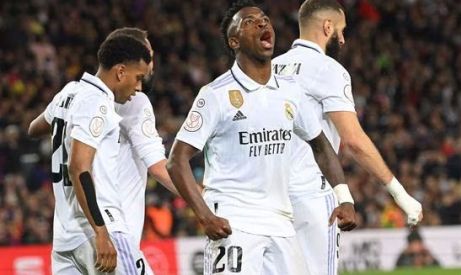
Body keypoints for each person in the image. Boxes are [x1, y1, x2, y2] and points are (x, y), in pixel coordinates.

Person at [166, 1, 355, 274]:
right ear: (234, 42)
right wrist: (205, 216)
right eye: (249, 22)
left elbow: (321, 145)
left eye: (264, 18)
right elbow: (177, 160)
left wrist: (344, 197)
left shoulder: (290, 91)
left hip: (281, 222)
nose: (262, 23)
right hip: (235, 223)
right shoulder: (215, 95)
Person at [272, 0, 423, 274]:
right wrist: (400, 195)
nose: (342, 38)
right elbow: (353, 140)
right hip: (310, 195)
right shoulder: (328, 69)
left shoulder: (266, 69)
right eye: (341, 30)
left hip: (267, 196)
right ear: (327, 26)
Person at [28, 34, 151, 274]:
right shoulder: (98, 102)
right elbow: (79, 168)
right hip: (99, 232)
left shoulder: (69, 93)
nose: (138, 88)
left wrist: (64, 123)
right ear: (120, 72)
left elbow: (34, 128)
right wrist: (101, 232)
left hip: (64, 240)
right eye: (138, 78)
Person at [107, 27, 180, 275]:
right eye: (147, 52)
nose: (151, 59)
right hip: (117, 235)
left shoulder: (76, 97)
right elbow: (159, 168)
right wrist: (202, 196)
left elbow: (36, 127)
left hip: (81, 234)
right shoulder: (135, 103)